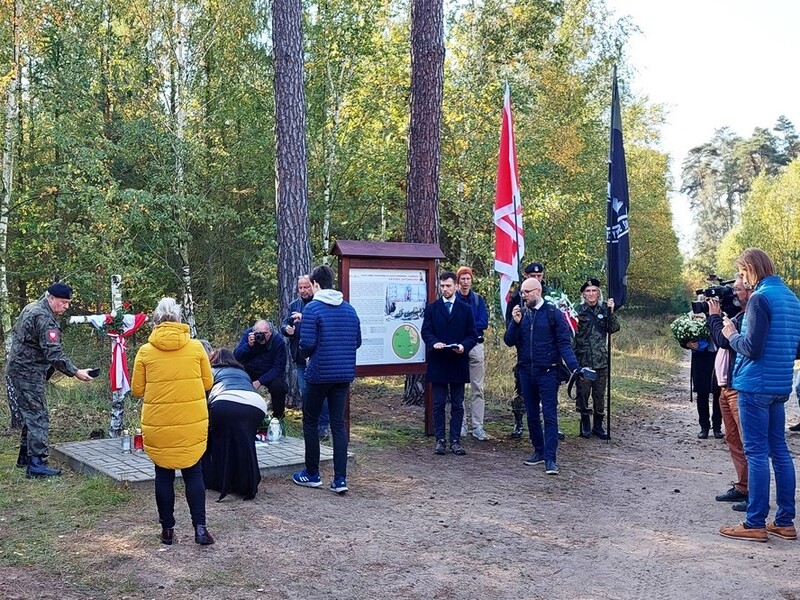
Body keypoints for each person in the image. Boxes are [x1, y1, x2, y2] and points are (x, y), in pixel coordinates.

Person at [719, 248, 800, 542]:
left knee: (755, 453)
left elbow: (751, 347)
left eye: (742, 273)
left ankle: (754, 521)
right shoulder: (792, 299)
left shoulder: (760, 298)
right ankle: (785, 521)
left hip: (755, 385)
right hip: (779, 386)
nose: (741, 279)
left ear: (752, 269)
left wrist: (730, 335)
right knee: (780, 452)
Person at [131, 298, 215, 545]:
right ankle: (200, 528)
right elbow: (208, 383)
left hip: (159, 422)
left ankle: (167, 530)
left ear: (156, 322)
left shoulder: (145, 352)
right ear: (180, 320)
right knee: (194, 472)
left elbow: (137, 389)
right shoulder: (197, 348)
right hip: (191, 420)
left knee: (163, 475)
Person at [6, 283, 95, 478]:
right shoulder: (43, 317)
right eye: (63, 302)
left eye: (68, 303)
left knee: (31, 414)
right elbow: (53, 353)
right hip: (28, 372)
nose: (66, 307)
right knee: (38, 416)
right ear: (51, 298)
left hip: (22, 369)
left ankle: (25, 458)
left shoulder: (33, 307)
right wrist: (75, 372)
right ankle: (37, 464)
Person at [292, 265, 361, 494]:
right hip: (343, 375)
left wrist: (303, 353)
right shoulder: (349, 309)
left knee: (310, 421)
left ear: (315, 284)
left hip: (319, 374)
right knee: (338, 425)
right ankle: (340, 479)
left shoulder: (313, 309)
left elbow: (307, 344)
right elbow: (357, 341)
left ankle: (312, 473)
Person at [504, 277, 579, 475]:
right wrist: (514, 323)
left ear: (537, 291)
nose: (523, 296)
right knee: (532, 414)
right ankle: (538, 450)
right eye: (522, 293)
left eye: (527, 292)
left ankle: (550, 458)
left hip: (548, 373)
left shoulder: (554, 314)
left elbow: (564, 344)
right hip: (525, 372)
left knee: (550, 414)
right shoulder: (522, 314)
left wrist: (575, 368)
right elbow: (509, 341)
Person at [422, 270, 477, 456]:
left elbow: (472, 334)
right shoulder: (432, 308)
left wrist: (463, 346)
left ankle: (455, 440)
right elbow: (426, 331)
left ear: (455, 286)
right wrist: (433, 342)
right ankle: (440, 439)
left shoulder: (465, 309)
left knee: (457, 403)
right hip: (438, 361)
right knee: (437, 403)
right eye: (442, 286)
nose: (445, 289)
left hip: (457, 361)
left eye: (448, 286)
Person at [707, 276, 750, 512]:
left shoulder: (747, 317)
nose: (734, 294)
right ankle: (743, 487)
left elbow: (723, 341)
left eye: (737, 290)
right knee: (733, 439)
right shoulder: (735, 315)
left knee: (747, 441)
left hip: (738, 387)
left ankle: (754, 494)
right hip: (725, 387)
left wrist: (713, 316)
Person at [202, 348, 269, 501]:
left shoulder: (211, 371)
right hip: (256, 405)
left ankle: (217, 480)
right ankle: (246, 482)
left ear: (213, 360)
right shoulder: (243, 372)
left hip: (224, 401)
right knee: (245, 443)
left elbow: (204, 397)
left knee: (215, 442)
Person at [281, 274, 329, 438]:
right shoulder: (294, 304)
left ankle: (323, 426)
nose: (303, 290)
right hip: (300, 358)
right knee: (306, 393)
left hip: (317, 358)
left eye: (306, 287)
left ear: (313, 286)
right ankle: (311, 424)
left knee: (320, 393)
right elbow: (284, 323)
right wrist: (287, 329)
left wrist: (305, 318)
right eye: (300, 287)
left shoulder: (320, 305)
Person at [573, 278, 619, 440]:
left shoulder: (605, 309)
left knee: (599, 395)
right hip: (583, 360)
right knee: (583, 393)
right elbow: (571, 334)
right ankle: (585, 422)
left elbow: (613, 328)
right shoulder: (576, 311)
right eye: (588, 291)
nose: (591, 294)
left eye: (594, 291)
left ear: (599, 293)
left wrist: (611, 312)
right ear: (583, 294)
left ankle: (598, 425)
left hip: (601, 360)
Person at [233, 318, 288, 430]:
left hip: (269, 371)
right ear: (254, 332)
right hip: (249, 369)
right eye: (259, 334)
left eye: (265, 333)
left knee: (279, 386)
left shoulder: (278, 341)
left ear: (270, 332)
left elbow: (279, 368)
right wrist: (248, 345)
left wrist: (260, 381)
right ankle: (243, 419)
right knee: (238, 383)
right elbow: (236, 356)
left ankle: (278, 419)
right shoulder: (249, 335)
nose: (262, 336)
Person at [455, 266, 489, 441]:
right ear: (458, 281)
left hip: (476, 345)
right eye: (462, 279)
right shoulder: (454, 300)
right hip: (459, 347)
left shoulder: (478, 300)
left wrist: (468, 329)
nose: (465, 282)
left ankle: (478, 426)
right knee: (458, 387)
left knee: (478, 388)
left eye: (468, 278)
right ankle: (460, 424)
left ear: (471, 280)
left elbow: (484, 322)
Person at [684, 325, 722, 439]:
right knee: (702, 393)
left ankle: (717, 427)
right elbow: (684, 336)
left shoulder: (721, 313)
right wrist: (687, 344)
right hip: (700, 358)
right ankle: (704, 427)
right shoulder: (694, 315)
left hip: (718, 357)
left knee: (718, 393)